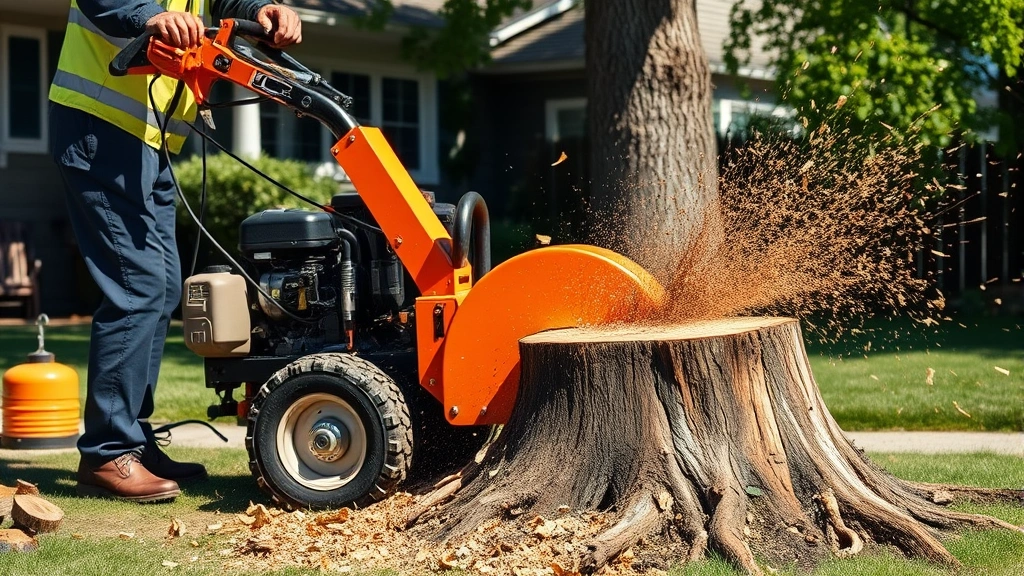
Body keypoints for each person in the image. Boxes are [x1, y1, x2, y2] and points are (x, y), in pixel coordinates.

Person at [49, 0, 301, 502]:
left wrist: (262, 10)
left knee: (162, 288)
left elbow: (221, 3)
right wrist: (148, 15)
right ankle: (106, 452)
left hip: (150, 138)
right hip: (99, 124)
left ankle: (133, 441)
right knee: (135, 286)